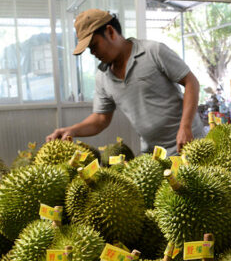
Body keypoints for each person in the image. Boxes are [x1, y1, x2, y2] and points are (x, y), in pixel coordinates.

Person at [46, 9, 203, 155]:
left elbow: (191, 82)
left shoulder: (153, 51)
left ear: (110, 32)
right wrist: (71, 130)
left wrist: (185, 126)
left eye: (94, 46)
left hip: (187, 145)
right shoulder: (103, 77)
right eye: (89, 50)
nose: (93, 53)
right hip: (153, 154)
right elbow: (100, 119)